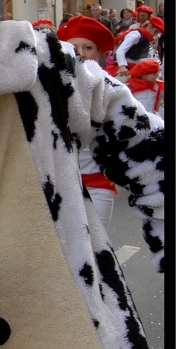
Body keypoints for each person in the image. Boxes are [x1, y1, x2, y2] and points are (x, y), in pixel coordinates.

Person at [57, 16, 118, 230]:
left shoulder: (113, 91)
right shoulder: (49, 91)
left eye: (88, 47)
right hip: (60, 184)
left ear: (99, 54)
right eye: (74, 47)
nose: (80, 53)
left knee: (98, 252)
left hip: (97, 185)